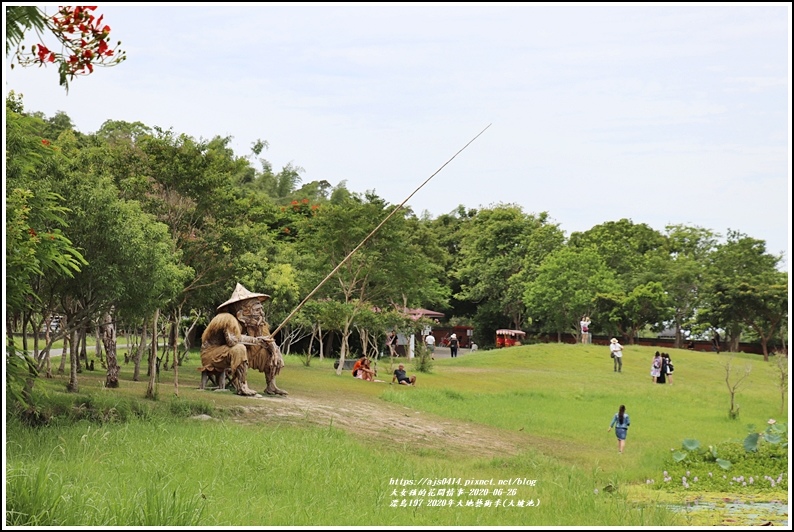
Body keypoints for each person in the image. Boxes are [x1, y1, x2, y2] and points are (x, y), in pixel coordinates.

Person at [199, 283, 287, 396]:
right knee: (239, 349)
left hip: (231, 353)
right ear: (241, 314)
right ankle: (242, 386)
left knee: (268, 351)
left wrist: (273, 348)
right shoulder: (227, 319)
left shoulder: (253, 324)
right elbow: (232, 341)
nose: (261, 313)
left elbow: (266, 339)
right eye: (256, 310)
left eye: (261, 309)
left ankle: (271, 385)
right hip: (213, 355)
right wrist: (257, 340)